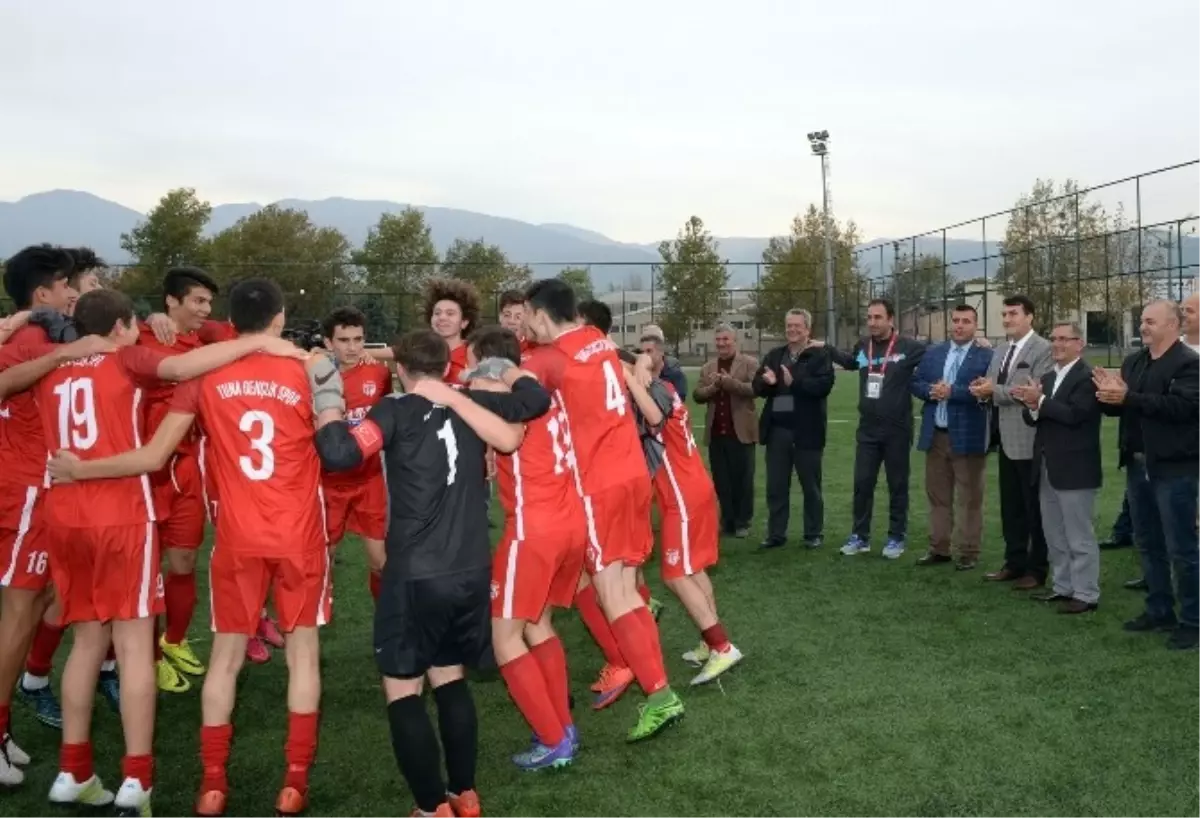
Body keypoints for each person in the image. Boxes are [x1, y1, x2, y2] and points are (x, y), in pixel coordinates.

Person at [9, 288, 300, 811]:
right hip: (120, 513)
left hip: (64, 515)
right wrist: (257, 343)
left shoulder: (53, 365)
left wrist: (54, 351)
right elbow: (183, 366)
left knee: (86, 642)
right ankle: (136, 779)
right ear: (123, 326)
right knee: (134, 644)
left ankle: (73, 770)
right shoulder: (126, 357)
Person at [314, 328, 552, 818]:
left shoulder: (394, 410)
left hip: (417, 573)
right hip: (468, 569)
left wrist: (327, 401)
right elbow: (534, 400)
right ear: (447, 367)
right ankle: (464, 793)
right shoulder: (470, 401)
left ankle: (430, 808)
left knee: (403, 687)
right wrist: (507, 370)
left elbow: (339, 454)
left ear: (400, 369)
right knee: (448, 675)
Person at [524, 279, 684, 742]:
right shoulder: (597, 338)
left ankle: (659, 695)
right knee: (628, 591)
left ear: (540, 315)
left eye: (527, 317)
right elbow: (634, 361)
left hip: (598, 485)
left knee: (611, 594)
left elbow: (516, 396)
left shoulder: (548, 358)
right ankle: (659, 689)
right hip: (633, 474)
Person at [461, 326, 583, 772]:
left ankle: (553, 740)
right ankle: (563, 727)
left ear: (493, 368)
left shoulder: (509, 401)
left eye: (473, 366)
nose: (470, 376)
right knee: (537, 623)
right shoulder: (538, 394)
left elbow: (503, 432)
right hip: (569, 522)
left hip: (535, 528)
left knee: (504, 635)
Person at [0, 244, 78, 784]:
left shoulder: (32, 334)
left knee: (34, 605)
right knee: (20, 613)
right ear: (42, 292)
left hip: (30, 485)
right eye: (66, 284)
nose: (72, 292)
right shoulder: (33, 340)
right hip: (27, 490)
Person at [133, 266, 226, 691]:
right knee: (146, 571)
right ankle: (147, 657)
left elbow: (245, 330)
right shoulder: (139, 338)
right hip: (143, 471)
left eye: (209, 302)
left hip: (186, 468)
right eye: (197, 301)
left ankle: (174, 640)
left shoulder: (205, 341)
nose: (205, 310)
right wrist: (147, 317)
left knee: (184, 561)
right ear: (171, 300)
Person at [636, 335, 743, 685]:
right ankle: (709, 643)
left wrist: (629, 375)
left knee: (675, 574)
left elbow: (651, 418)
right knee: (693, 569)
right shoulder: (665, 387)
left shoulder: (655, 393)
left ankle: (722, 646)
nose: (641, 358)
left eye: (647, 353)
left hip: (682, 495)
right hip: (691, 488)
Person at [1095, 299, 1200, 649]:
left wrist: (1128, 397)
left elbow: (1183, 408)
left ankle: (1193, 621)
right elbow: (1122, 410)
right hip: (1138, 465)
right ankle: (1159, 610)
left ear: (1173, 324)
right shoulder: (1135, 361)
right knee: (1148, 542)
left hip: (1174, 467)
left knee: (1181, 548)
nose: (1143, 326)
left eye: (1151, 321)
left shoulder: (1189, 364)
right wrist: (1107, 395)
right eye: (1142, 320)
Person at [825, 298, 926, 558]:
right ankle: (860, 536)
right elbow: (851, 363)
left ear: (891, 319)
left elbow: (937, 355)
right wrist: (826, 348)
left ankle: (896, 537)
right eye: (869, 317)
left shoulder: (909, 347)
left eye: (878, 317)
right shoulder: (863, 345)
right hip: (868, 429)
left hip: (897, 429)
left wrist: (980, 343)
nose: (872, 322)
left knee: (897, 484)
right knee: (862, 483)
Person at [1013, 321, 1102, 614]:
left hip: (1076, 468)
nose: (1057, 344)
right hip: (1047, 466)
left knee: (1079, 535)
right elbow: (1036, 419)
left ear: (1080, 344)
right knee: (1054, 534)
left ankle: (1086, 593)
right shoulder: (1049, 377)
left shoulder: (1087, 378)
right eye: (1054, 338)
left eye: (1065, 339)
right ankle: (1063, 586)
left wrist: (1039, 400)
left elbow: (1075, 415)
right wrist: (1032, 406)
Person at [970, 295, 1052, 590]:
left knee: (1034, 508)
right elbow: (993, 386)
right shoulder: (1002, 349)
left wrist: (993, 390)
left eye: (1013, 314)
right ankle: (1014, 563)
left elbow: (1033, 391)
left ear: (1029, 316)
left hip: (1029, 440)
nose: (1007, 319)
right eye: (1004, 314)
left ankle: (1037, 569)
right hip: (1003, 439)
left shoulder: (1043, 348)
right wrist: (982, 390)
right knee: (1011, 507)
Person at [910, 304, 992, 571]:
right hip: (936, 436)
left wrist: (952, 392)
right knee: (938, 496)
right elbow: (916, 382)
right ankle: (939, 548)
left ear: (975, 325)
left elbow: (987, 392)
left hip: (968, 436)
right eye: (955, 320)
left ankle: (968, 551)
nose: (959, 325)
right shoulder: (934, 353)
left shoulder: (986, 356)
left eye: (966, 321)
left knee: (969, 498)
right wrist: (929, 391)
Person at [319, 306, 392, 603]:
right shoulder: (314, 377)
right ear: (328, 342)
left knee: (381, 562)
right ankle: (317, 614)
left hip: (369, 481)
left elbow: (386, 416)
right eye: (343, 340)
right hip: (328, 484)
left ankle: (388, 619)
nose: (352, 347)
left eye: (358, 339)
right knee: (323, 560)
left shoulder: (379, 373)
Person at [753, 308, 834, 549]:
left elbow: (823, 386)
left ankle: (813, 533)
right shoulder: (775, 355)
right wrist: (768, 383)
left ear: (808, 329)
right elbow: (757, 386)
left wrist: (794, 382)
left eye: (797, 326)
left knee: (811, 486)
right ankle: (776, 534)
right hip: (778, 430)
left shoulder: (819, 356)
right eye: (789, 325)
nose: (792, 330)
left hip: (807, 431)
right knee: (776, 486)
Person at [693, 324, 758, 539]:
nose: (721, 343)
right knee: (722, 481)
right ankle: (727, 521)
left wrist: (729, 383)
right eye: (718, 340)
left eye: (726, 339)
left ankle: (742, 521)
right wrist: (713, 387)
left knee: (743, 480)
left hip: (741, 432)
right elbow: (697, 394)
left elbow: (755, 389)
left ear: (735, 341)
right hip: (716, 433)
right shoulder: (708, 367)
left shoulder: (749, 363)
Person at [425, 278, 481, 384]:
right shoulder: (421, 352)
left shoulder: (475, 354)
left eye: (450, 313)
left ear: (464, 322)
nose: (442, 318)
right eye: (437, 313)